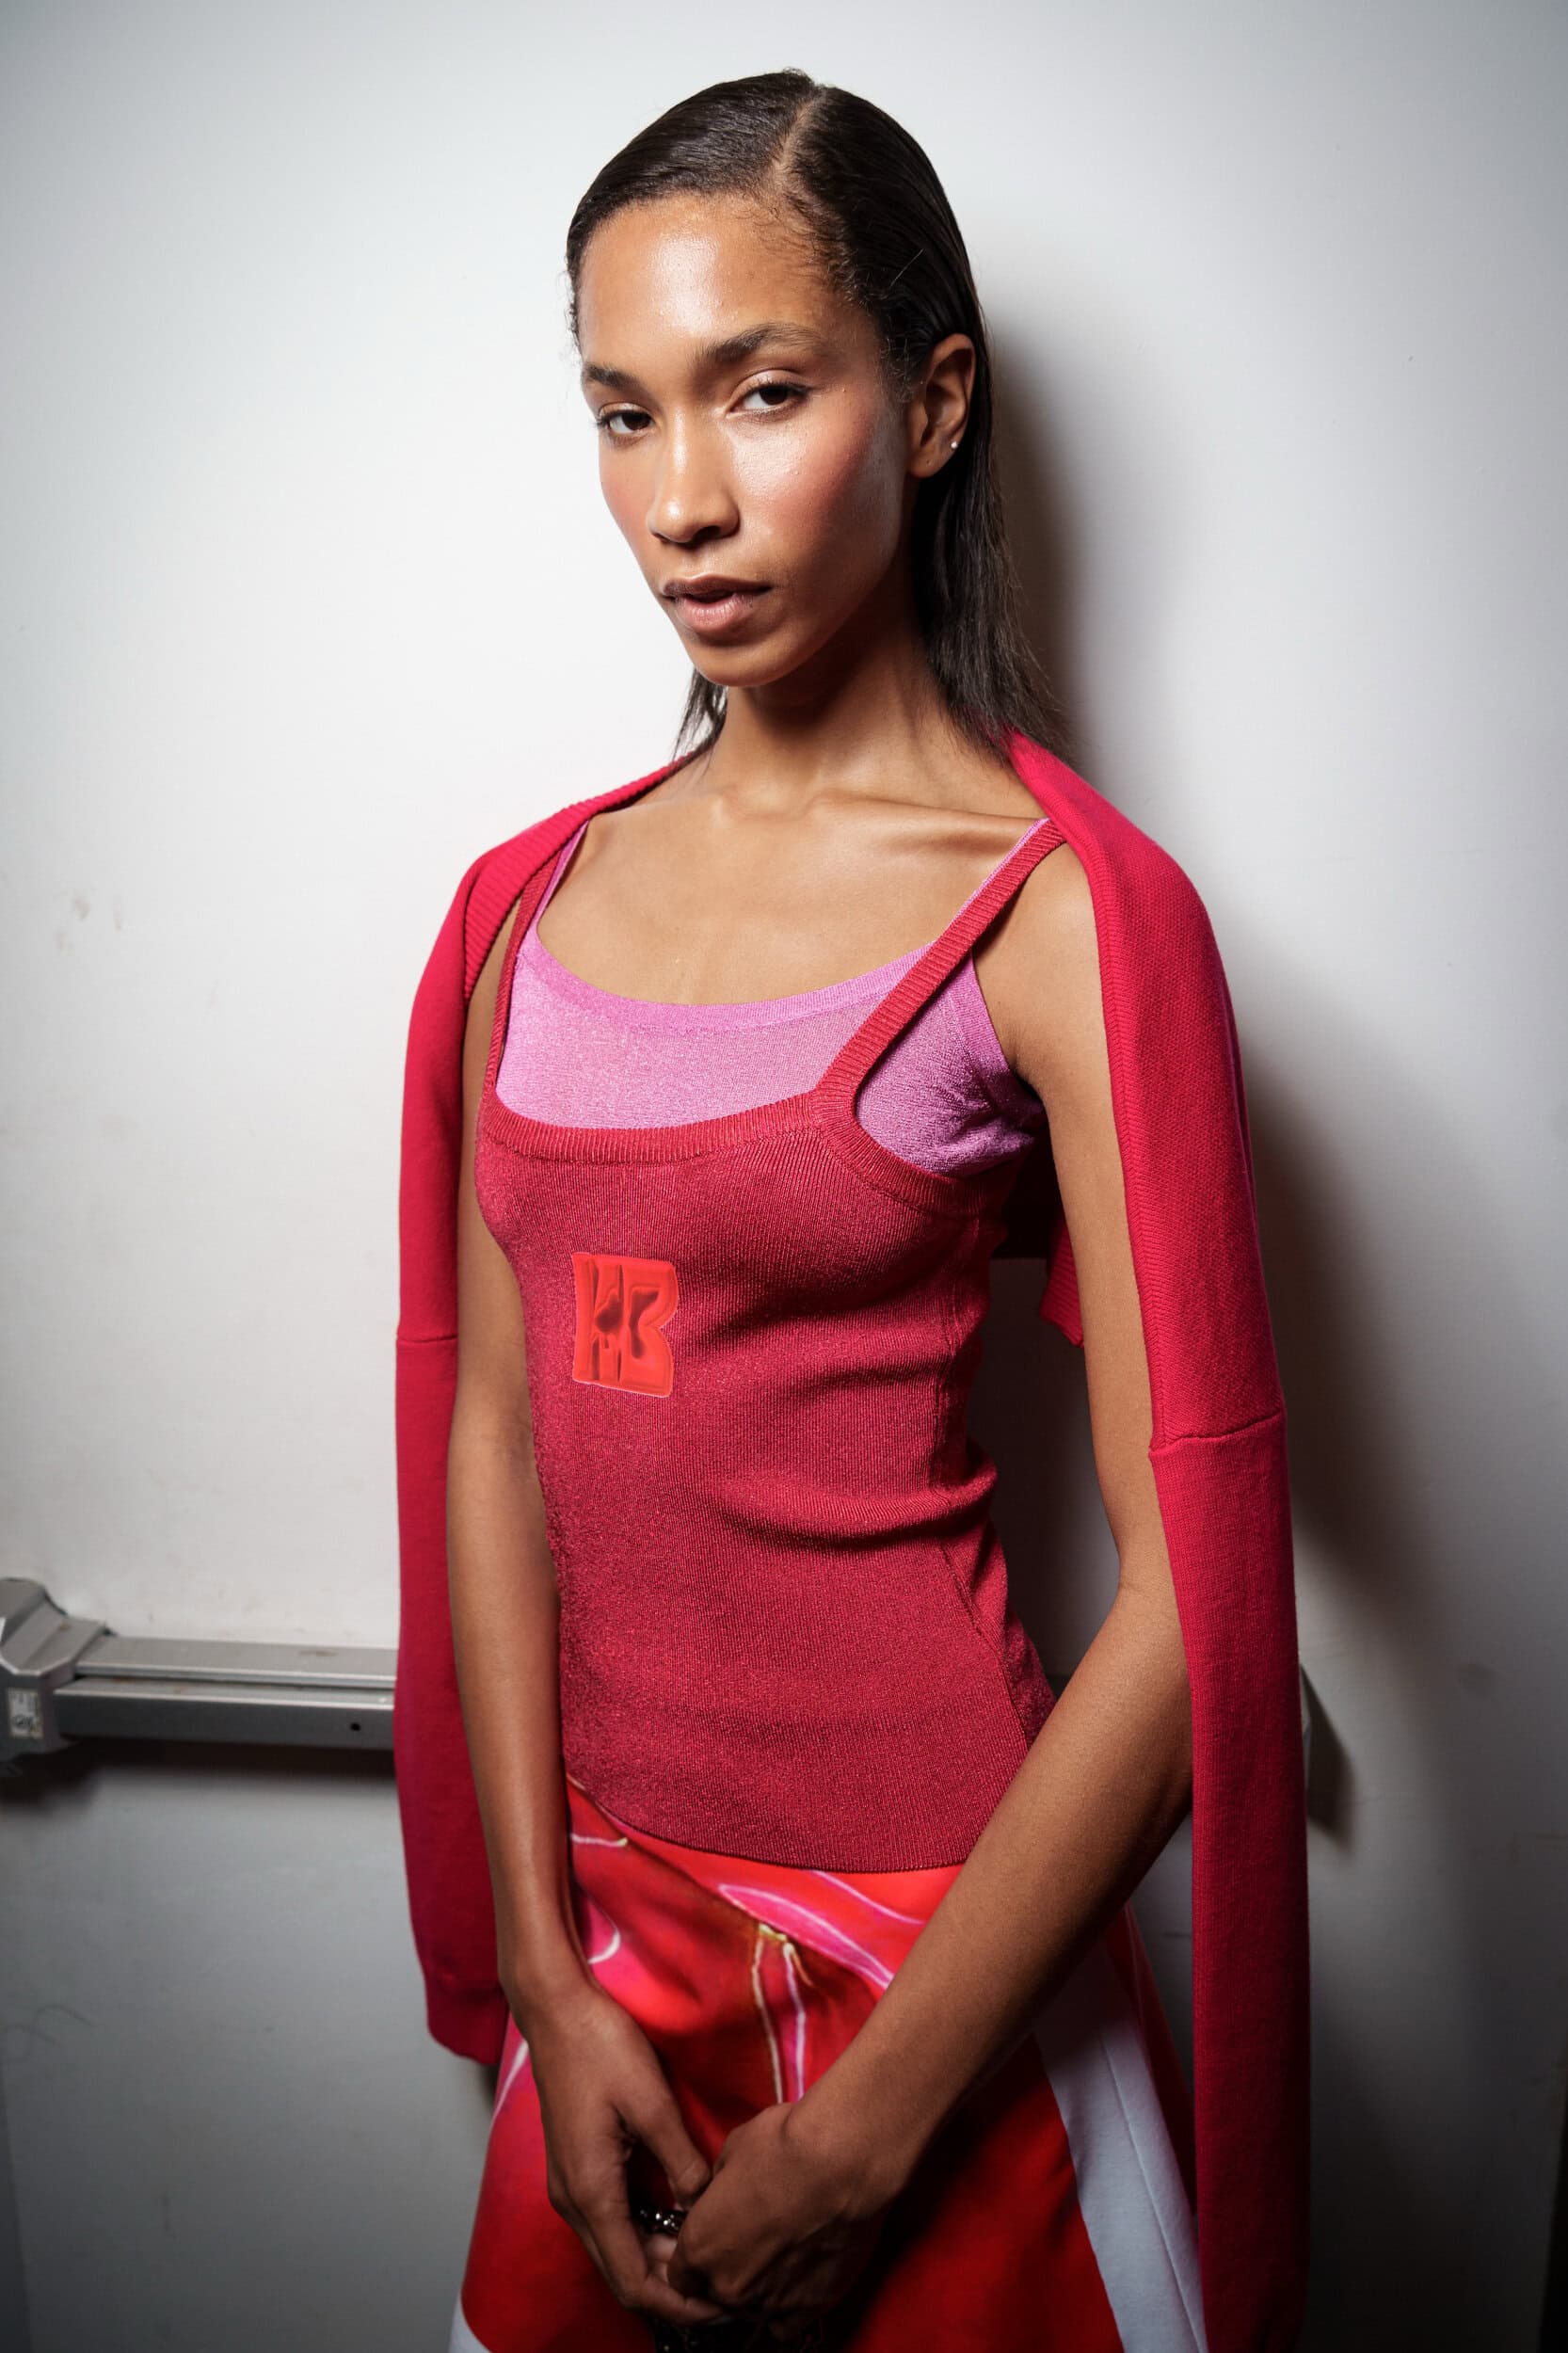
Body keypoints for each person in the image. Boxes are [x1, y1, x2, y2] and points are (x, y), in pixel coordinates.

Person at [402, 66, 1309, 2353]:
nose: (680, 498)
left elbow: (1199, 1587)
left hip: (946, 1961)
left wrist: (869, 2132)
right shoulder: (520, 908)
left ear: (930, 402)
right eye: (622, 413)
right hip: (607, 1960)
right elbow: (494, 1437)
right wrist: (542, 1974)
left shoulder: (1061, 918)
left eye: (761, 391)